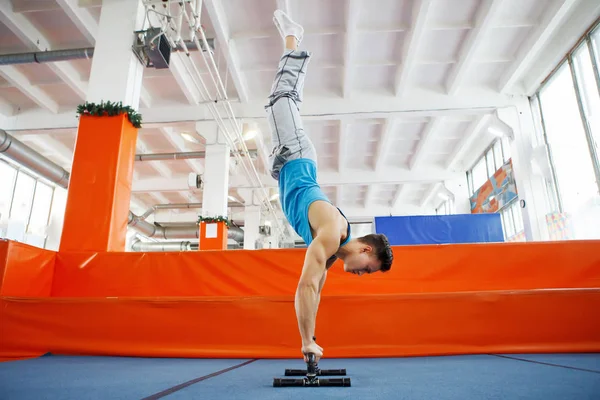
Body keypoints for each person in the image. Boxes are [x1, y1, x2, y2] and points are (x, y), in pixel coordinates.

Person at [266, 10, 394, 363]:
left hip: (286, 164)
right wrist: (305, 340)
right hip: (296, 156)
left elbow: (315, 293)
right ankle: (293, 37)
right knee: (282, 99)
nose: (358, 276)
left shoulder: (332, 253)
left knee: (285, 100)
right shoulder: (331, 232)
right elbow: (305, 286)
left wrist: (313, 339)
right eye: (365, 271)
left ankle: (293, 39)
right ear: (365, 252)